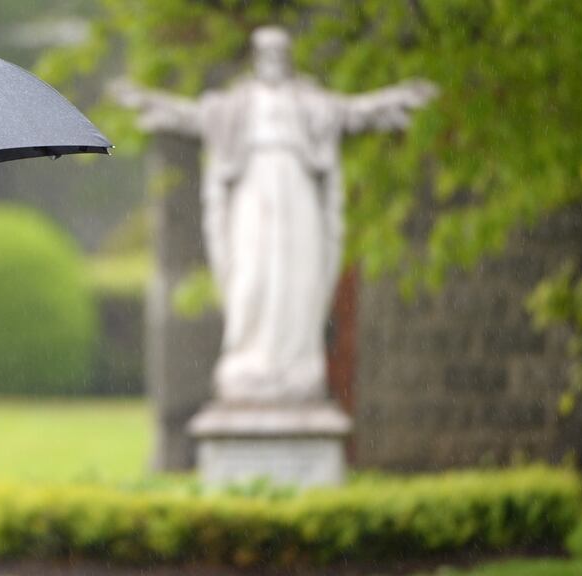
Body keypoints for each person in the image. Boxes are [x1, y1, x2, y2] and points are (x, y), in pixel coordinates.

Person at [111, 26, 436, 403]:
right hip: (253, 191)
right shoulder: (236, 105)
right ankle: (252, 358)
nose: (273, 62)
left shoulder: (308, 102)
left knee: (296, 276)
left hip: (296, 192)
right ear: (256, 58)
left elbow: (352, 113)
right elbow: (194, 117)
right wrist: (149, 103)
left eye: (279, 54)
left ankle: (294, 362)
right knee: (253, 274)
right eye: (266, 54)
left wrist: (393, 100)